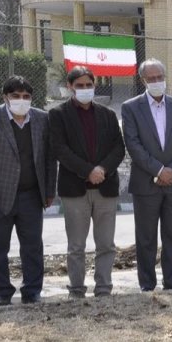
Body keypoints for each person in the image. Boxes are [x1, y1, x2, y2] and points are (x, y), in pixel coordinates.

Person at [49, 66, 126, 299]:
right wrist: (88, 171)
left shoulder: (108, 114)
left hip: (105, 187)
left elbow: (118, 147)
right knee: (76, 246)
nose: (85, 89)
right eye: (79, 85)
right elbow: (60, 149)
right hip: (75, 190)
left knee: (106, 244)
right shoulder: (58, 114)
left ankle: (103, 288)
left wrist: (101, 169)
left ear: (94, 85)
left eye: (89, 85)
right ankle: (76, 289)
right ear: (71, 87)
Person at [0, 76, 55, 306]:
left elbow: (49, 159)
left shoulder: (42, 119)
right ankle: (3, 291)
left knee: (33, 246)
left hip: (31, 195)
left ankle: (32, 290)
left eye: (26, 97)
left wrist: (49, 191)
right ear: (5, 97)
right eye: (15, 96)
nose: (21, 101)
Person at [122, 58, 172, 292]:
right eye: (151, 79)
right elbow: (133, 145)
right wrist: (159, 171)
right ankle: (147, 284)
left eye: (159, 77)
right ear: (142, 80)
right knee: (146, 238)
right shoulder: (130, 108)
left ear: (165, 77)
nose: (156, 82)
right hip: (145, 184)